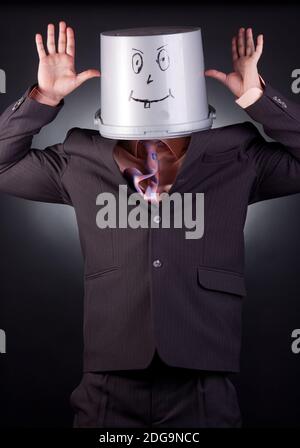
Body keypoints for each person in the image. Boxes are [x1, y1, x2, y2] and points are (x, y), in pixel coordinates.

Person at [1, 21, 299, 428]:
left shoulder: (237, 155)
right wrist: (44, 98)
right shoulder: (79, 156)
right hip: (108, 382)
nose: (148, 78)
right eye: (136, 66)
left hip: (202, 381)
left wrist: (256, 97)